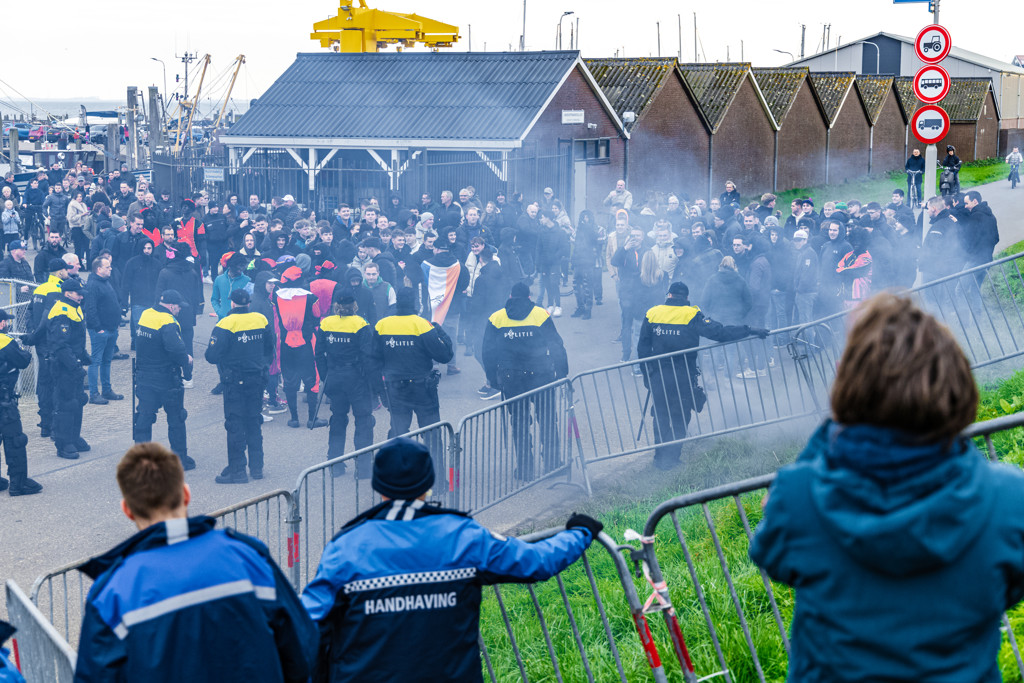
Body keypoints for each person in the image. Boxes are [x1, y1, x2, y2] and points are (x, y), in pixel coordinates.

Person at [748, 293, 1024, 681]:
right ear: (958, 383)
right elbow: (1011, 586)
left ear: (848, 390)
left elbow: (770, 556)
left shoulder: (799, 496)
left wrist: (834, 426)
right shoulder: (1008, 499)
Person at [300, 437, 602, 682]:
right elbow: (537, 561)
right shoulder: (464, 536)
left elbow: (305, 626)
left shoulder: (346, 548)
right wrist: (579, 533)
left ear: (378, 487)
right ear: (428, 484)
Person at [74, 442, 317, 682]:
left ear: (127, 509)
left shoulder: (112, 594)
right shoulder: (248, 558)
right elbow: (303, 649)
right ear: (186, 494)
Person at [640, 282, 768, 469]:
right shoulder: (692, 314)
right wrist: (749, 329)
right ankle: (672, 459)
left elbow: (642, 348)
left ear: (668, 296)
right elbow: (720, 332)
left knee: (660, 416)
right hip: (683, 375)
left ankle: (660, 458)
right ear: (687, 298)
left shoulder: (652, 313)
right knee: (680, 417)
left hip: (658, 374)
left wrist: (647, 376)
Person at [482, 282, 569, 480]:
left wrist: (493, 379)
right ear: (529, 297)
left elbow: (487, 352)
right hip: (541, 374)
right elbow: (556, 345)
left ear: (510, 297)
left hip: (511, 378)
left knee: (520, 422)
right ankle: (552, 464)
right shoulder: (540, 314)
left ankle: (525, 468)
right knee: (547, 419)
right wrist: (562, 373)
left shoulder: (497, 318)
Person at [205, 289, 274, 484]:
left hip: (234, 381)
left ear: (232, 304)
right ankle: (257, 468)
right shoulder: (260, 320)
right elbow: (270, 348)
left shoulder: (226, 323)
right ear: (248, 303)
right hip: (257, 379)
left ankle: (238, 471)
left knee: (235, 424)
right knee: (253, 421)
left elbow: (211, 356)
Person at [373, 287, 454, 440]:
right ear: (414, 303)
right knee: (431, 433)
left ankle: (397, 463)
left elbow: (373, 360)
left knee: (398, 432)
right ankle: (435, 464)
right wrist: (440, 331)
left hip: (395, 388)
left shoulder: (382, 325)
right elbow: (445, 356)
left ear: (397, 303)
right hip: (422, 387)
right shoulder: (422, 325)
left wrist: (379, 390)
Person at [315, 293, 382, 478]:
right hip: (356, 377)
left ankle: (335, 463)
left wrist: (325, 378)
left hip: (334, 376)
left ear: (336, 306)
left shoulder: (326, 323)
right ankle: (363, 467)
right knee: (363, 420)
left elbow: (319, 354)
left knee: (337, 418)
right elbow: (368, 357)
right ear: (354, 305)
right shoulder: (361, 324)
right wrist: (375, 386)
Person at [134, 289, 194, 470]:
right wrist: (187, 361)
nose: (179, 310)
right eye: (178, 307)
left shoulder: (146, 314)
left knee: (144, 418)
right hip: (166, 377)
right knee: (176, 418)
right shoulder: (167, 321)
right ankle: (180, 457)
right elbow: (176, 349)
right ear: (171, 305)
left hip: (144, 375)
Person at [274, 267, 327, 429]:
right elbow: (317, 316)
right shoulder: (311, 298)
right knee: (311, 380)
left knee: (289, 381)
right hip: (306, 343)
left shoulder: (277, 298)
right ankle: (312, 418)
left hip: (286, 344)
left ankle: (294, 418)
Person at [47, 278, 91, 460]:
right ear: (68, 294)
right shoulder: (61, 312)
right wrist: (74, 366)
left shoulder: (74, 307)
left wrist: (83, 355)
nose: (81, 296)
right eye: (77, 293)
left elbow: (75, 339)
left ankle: (74, 436)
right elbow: (60, 345)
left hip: (74, 363)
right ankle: (64, 443)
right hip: (65, 366)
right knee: (66, 403)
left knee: (78, 400)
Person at [0, 309, 41, 495]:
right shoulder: (5, 342)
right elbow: (24, 361)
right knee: (15, 440)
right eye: (5, 321)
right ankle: (18, 483)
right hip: (4, 402)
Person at [84, 257, 124, 405]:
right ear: (98, 269)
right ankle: (94, 393)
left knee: (107, 361)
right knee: (96, 361)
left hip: (111, 328)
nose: (110, 269)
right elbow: (90, 308)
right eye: (107, 267)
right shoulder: (93, 284)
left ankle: (107, 389)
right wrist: (98, 328)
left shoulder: (105, 282)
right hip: (100, 330)